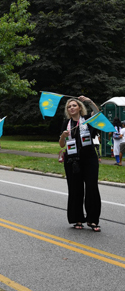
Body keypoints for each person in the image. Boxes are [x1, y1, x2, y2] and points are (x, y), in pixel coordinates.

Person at [59, 96, 101, 232]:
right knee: (75, 189)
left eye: (74, 105)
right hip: (72, 160)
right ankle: (77, 219)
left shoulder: (88, 119)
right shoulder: (66, 123)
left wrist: (89, 101)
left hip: (89, 159)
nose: (71, 108)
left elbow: (98, 113)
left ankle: (93, 220)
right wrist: (63, 136)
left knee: (92, 187)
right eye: (69, 107)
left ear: (79, 107)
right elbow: (61, 144)